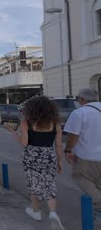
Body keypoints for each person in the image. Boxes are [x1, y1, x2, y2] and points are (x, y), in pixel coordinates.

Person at [7, 96, 64, 229]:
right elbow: (59, 145)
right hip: (49, 156)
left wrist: (14, 133)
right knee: (49, 184)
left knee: (33, 183)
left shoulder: (26, 123)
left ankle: (36, 211)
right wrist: (60, 162)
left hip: (31, 157)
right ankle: (53, 213)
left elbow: (24, 143)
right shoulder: (56, 124)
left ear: (31, 110)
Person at [63, 88, 101, 222]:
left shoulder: (79, 113)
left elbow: (73, 135)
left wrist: (68, 151)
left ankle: (99, 205)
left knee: (79, 176)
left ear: (81, 99)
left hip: (87, 156)